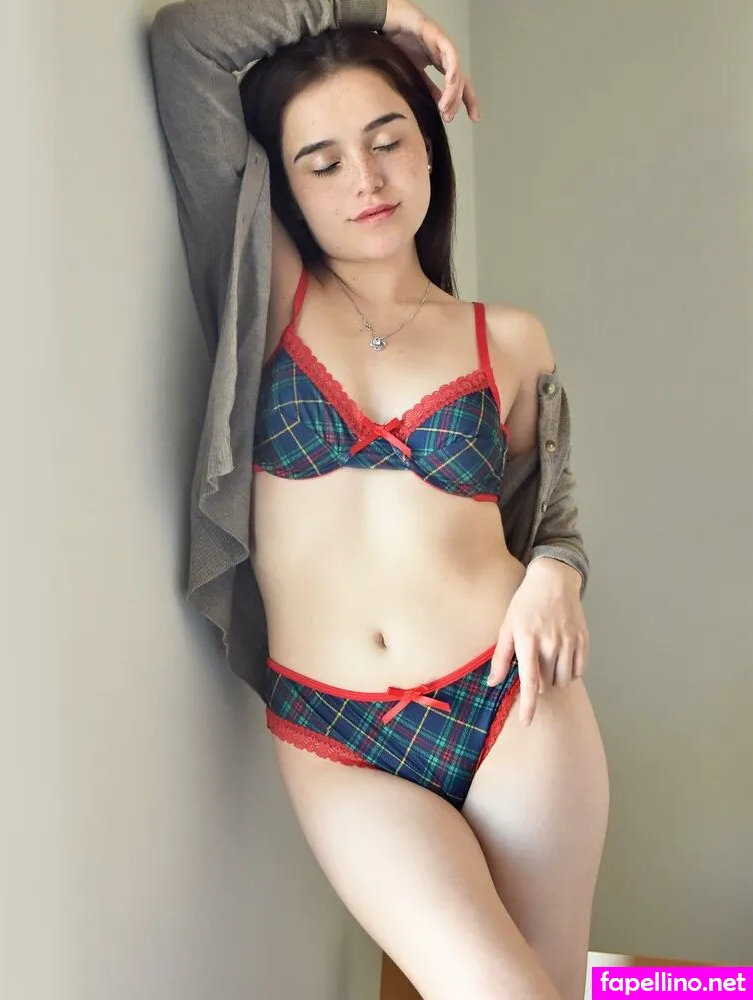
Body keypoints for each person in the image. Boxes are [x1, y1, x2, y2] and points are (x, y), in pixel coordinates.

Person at [149, 1, 609, 997]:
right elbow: (188, 44)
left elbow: (550, 516)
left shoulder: (508, 338)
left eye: (388, 140)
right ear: (287, 190)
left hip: (516, 707)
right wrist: (382, 11)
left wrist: (555, 575)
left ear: (430, 147)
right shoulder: (269, 292)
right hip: (337, 733)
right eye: (322, 163)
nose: (365, 178)